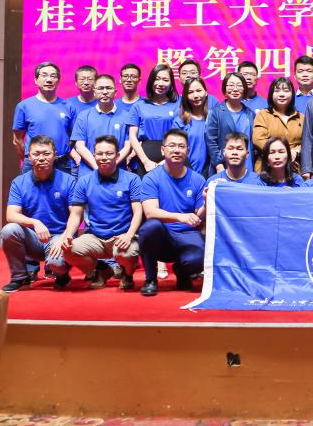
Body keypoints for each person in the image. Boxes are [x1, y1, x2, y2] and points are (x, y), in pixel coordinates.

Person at [60, 135, 143, 290]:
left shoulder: (132, 179)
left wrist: (129, 235)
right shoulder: (84, 181)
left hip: (122, 236)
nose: (104, 157)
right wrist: (68, 235)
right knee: (68, 251)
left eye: (109, 153)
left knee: (126, 254)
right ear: (94, 155)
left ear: (117, 156)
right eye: (100, 154)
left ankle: (127, 274)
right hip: (95, 237)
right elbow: (76, 214)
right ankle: (103, 270)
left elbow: (138, 211)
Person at [0, 135, 76, 292]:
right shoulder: (19, 182)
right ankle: (19, 278)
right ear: (29, 156)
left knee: (57, 264)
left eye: (46, 153)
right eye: (36, 154)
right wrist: (35, 222)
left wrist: (64, 236)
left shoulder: (68, 181)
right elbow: (11, 215)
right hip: (34, 239)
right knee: (9, 230)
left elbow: (76, 214)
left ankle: (62, 275)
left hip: (59, 237)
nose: (41, 158)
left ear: (55, 155)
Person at [137, 128, 207, 296]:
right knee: (150, 227)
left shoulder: (198, 180)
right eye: (172, 146)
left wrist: (207, 203)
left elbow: (198, 217)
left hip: (188, 235)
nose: (176, 150)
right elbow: (150, 212)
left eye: (181, 146)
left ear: (187, 151)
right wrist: (180, 217)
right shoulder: (151, 178)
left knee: (199, 260)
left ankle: (182, 271)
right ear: (163, 150)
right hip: (163, 237)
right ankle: (150, 279)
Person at [12, 61, 75, 175]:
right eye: (44, 75)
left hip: (62, 163)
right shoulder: (24, 106)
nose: (49, 80)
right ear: (36, 80)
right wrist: (30, 157)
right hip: (34, 163)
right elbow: (17, 140)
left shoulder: (69, 106)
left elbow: (73, 138)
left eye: (53, 76)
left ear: (58, 81)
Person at [71, 74, 134, 178]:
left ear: (115, 92)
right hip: (89, 174)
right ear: (94, 92)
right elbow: (80, 146)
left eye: (109, 88)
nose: (105, 92)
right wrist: (99, 168)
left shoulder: (127, 117)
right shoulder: (83, 116)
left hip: (118, 174)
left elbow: (128, 146)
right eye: (100, 88)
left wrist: (111, 167)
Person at [128, 64, 179, 175]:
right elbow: (132, 136)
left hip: (171, 155)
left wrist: (167, 161)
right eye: (157, 79)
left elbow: (181, 134)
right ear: (151, 81)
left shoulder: (178, 105)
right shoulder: (138, 106)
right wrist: (145, 161)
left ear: (171, 83)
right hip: (145, 155)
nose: (160, 83)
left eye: (165, 80)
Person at [206, 71, 256, 174]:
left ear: (244, 89)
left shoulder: (250, 113)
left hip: (248, 167)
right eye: (231, 85)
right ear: (224, 89)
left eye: (239, 85)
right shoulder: (215, 112)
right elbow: (211, 141)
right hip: (224, 167)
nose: (235, 89)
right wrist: (218, 164)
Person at [252, 77, 304, 172]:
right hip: (267, 168)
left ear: (292, 94)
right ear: (271, 94)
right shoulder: (262, 115)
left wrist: (296, 150)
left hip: (294, 168)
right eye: (277, 91)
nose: (281, 94)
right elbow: (258, 139)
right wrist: (284, 154)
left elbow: (307, 142)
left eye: (286, 91)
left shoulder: (301, 117)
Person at [173, 77, 211, 176]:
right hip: (185, 172)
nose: (196, 95)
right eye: (190, 92)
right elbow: (176, 150)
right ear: (185, 96)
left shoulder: (213, 118)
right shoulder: (180, 121)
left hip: (208, 173)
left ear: (206, 92)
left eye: (199, 91)